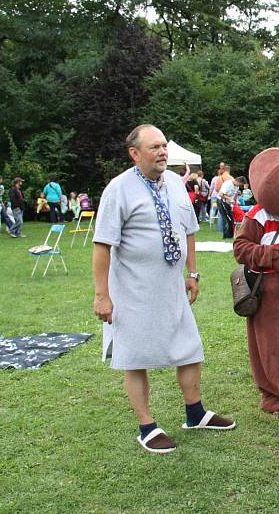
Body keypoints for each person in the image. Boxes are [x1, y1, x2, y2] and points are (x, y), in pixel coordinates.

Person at [92, 124, 235, 454]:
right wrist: (102, 294)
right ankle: (147, 426)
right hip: (133, 290)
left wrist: (193, 273)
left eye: (163, 147)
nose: (162, 152)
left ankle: (195, 413)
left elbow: (189, 230)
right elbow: (102, 246)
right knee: (135, 356)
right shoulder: (118, 190)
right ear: (134, 153)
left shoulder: (174, 182)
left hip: (172, 287)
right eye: (154, 147)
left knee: (189, 348)